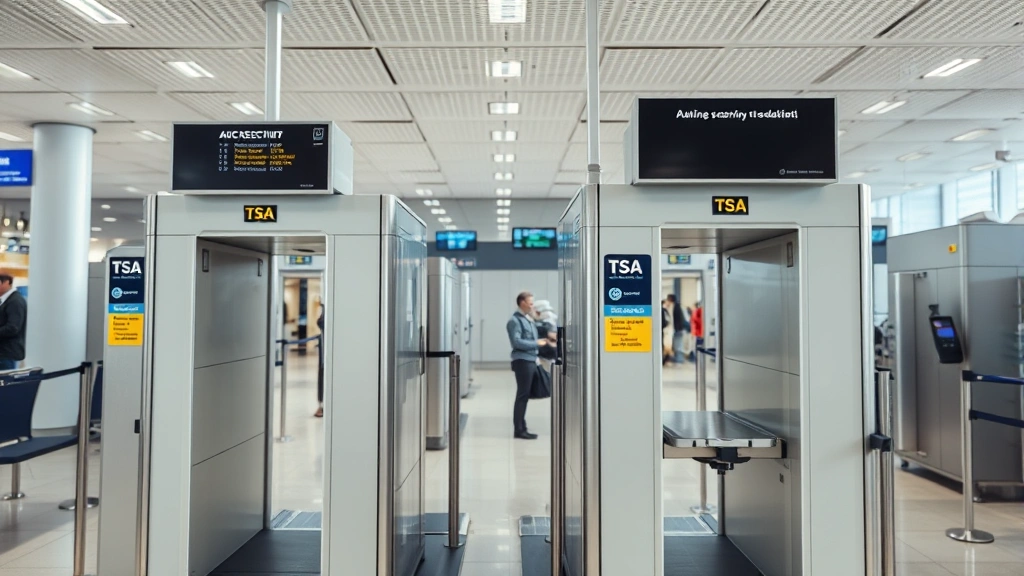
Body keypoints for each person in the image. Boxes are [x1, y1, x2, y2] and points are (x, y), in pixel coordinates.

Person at [507, 291, 546, 440]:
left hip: (530, 359)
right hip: (523, 361)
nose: (532, 306)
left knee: (525, 395)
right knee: (522, 395)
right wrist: (535, 343)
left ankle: (522, 427)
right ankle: (519, 429)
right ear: (522, 303)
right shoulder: (515, 321)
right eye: (530, 303)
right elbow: (516, 342)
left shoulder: (527, 319)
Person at [0, 272, 26, 371]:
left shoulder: (15, 301)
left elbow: (13, 327)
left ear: (6, 283)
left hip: (7, 354)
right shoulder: (6, 300)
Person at [668, 294, 687, 363]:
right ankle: (678, 358)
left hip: (678, 329)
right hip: (679, 329)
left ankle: (679, 359)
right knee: (677, 344)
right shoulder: (677, 306)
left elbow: (675, 319)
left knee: (678, 345)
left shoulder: (675, 307)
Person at [314, 299, 325, 418]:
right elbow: (321, 323)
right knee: (322, 374)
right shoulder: (324, 307)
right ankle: (321, 404)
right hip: (325, 350)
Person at [661, 299, 673, 366]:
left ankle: (664, 360)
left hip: (664, 330)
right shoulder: (663, 310)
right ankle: (663, 360)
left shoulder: (664, 310)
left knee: (664, 346)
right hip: (664, 330)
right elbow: (666, 321)